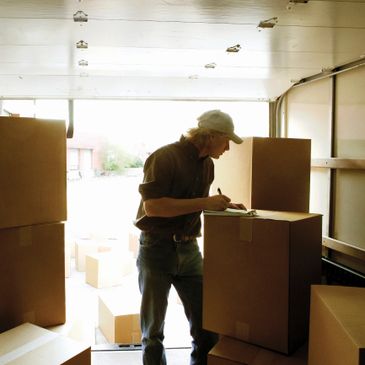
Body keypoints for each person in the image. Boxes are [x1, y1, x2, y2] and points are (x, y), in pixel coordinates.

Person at [134, 109, 245, 365]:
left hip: (190, 250)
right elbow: (154, 207)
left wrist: (222, 205)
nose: (227, 148)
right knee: (153, 333)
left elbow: (191, 204)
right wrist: (206, 201)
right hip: (156, 249)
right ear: (211, 136)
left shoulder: (208, 165)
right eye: (226, 140)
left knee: (207, 327)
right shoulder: (164, 157)